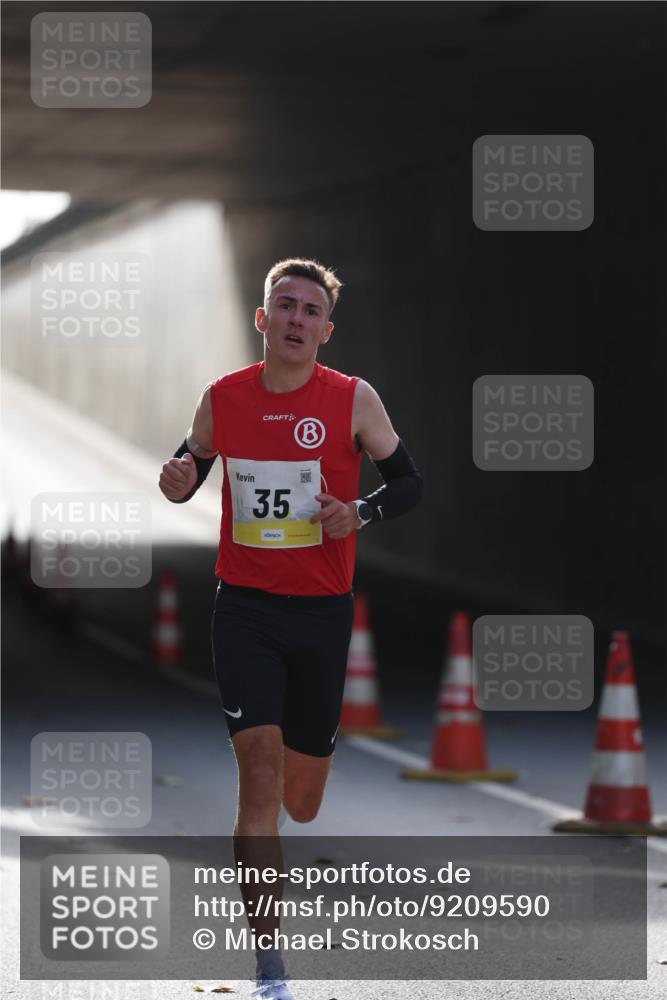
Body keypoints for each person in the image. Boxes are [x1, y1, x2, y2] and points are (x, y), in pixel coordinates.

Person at [159, 258, 422, 999]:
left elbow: (408, 483)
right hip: (244, 609)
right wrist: (176, 479)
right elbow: (189, 462)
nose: (297, 320)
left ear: (324, 331)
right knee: (261, 776)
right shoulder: (223, 398)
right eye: (285, 306)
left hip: (321, 613)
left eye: (310, 311)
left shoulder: (350, 399)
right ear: (262, 319)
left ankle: (298, 814)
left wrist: (359, 512)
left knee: (302, 798)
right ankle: (269, 964)